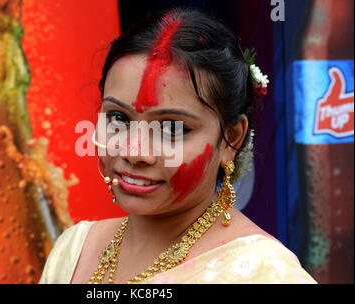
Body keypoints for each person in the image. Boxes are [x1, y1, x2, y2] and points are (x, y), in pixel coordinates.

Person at [39, 8, 317, 284]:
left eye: (172, 128)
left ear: (232, 138)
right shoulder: (74, 249)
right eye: (118, 118)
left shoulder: (266, 275)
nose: (135, 153)